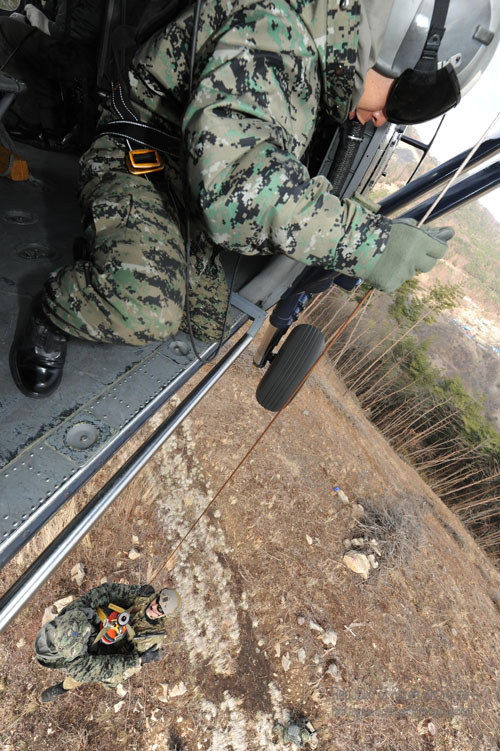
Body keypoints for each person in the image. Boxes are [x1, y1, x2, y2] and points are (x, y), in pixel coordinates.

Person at [10, 0, 500, 397]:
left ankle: (112, 256)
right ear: (388, 48)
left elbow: (269, 160)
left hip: (186, 168)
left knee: (204, 321)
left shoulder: (311, 41)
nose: (386, 121)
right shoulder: (278, 31)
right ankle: (51, 312)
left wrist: (358, 220)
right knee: (147, 310)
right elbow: (238, 194)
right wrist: (368, 243)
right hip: (138, 157)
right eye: (405, 103)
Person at [34, 582, 180, 702]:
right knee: (80, 671)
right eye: (157, 601)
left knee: (82, 674)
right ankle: (64, 685)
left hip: (113, 652)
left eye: (160, 609)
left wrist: (137, 660)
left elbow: (111, 669)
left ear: (165, 616)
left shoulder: (153, 637)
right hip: (98, 632)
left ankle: (62, 688)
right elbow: (104, 592)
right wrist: (133, 592)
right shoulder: (74, 615)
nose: (153, 607)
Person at [0, 0, 102, 140]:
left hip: (76, 57)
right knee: (12, 27)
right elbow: (50, 12)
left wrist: (44, 24)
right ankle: (32, 115)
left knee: (3, 26)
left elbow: (81, 32)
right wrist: (30, 16)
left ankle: (29, 118)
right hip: (60, 47)